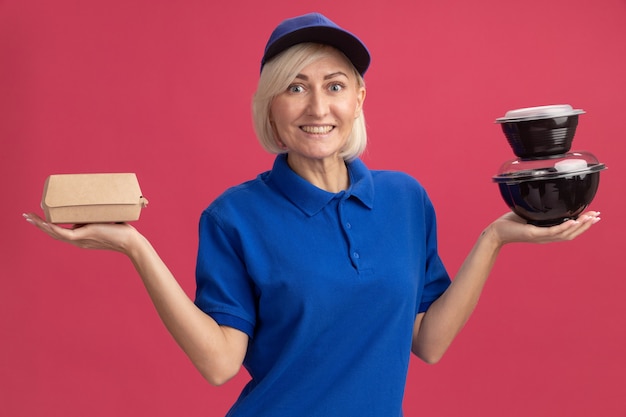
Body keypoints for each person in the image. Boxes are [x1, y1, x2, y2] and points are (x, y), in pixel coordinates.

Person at [23, 12, 601, 417]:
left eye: (335, 85)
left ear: (359, 99)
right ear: (270, 105)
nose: (318, 107)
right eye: (295, 87)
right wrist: (136, 249)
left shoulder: (405, 201)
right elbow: (221, 364)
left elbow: (427, 340)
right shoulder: (234, 217)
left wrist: (495, 238)